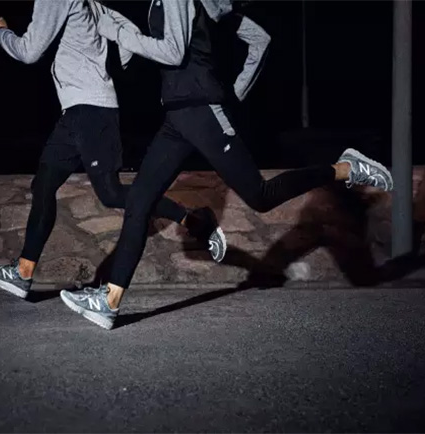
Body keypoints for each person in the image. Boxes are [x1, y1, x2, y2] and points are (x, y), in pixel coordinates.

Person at [59, 0, 394, 330]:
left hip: (202, 113)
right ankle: (110, 300)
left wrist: (119, 34)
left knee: (261, 196)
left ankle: (345, 168)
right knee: (139, 201)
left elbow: (176, 52)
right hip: (176, 118)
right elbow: (250, 40)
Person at [0, 0, 226, 299]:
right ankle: (23, 272)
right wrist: (103, 66)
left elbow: (29, 51)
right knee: (43, 184)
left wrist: (0, 32)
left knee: (110, 193)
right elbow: (128, 37)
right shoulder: (94, 5)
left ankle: (195, 221)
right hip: (75, 111)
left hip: (91, 111)